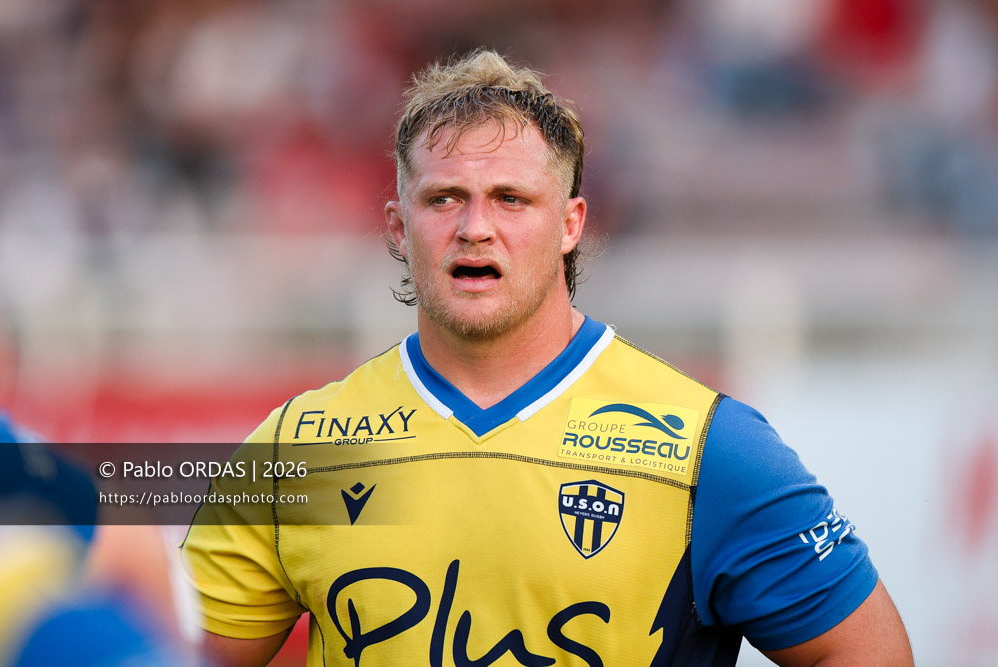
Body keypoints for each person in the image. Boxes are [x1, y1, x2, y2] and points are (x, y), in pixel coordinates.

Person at [180, 49, 913, 666]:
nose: (475, 228)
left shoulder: (708, 447)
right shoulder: (298, 449)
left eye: (510, 198)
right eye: (444, 199)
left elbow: (867, 653)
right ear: (399, 228)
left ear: (570, 224)